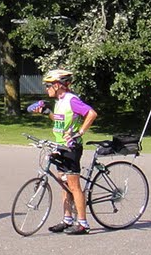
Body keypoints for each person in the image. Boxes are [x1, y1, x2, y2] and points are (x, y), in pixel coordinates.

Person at [26, 68, 98, 235]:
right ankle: (67, 220)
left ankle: (83, 223)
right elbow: (60, 122)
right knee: (63, 184)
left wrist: (79, 132)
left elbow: (92, 114)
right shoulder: (59, 101)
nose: (46, 89)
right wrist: (47, 112)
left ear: (58, 85)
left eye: (48, 85)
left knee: (74, 186)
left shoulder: (72, 100)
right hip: (60, 146)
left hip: (71, 148)